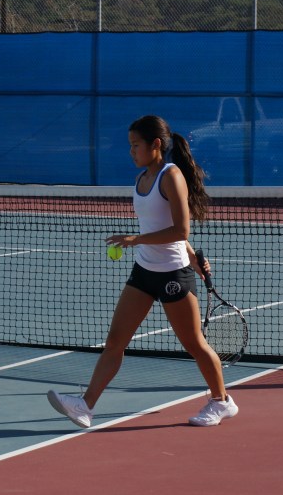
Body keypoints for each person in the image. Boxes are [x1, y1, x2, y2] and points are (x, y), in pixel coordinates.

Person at [47, 115, 238, 428]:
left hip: (173, 275)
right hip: (144, 272)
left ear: (156, 145)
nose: (131, 151)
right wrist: (192, 256)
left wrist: (138, 241)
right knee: (115, 341)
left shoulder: (171, 176)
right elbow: (163, 226)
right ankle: (85, 406)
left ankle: (221, 401)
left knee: (193, 343)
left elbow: (180, 229)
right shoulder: (141, 179)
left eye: (136, 145)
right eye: (130, 145)